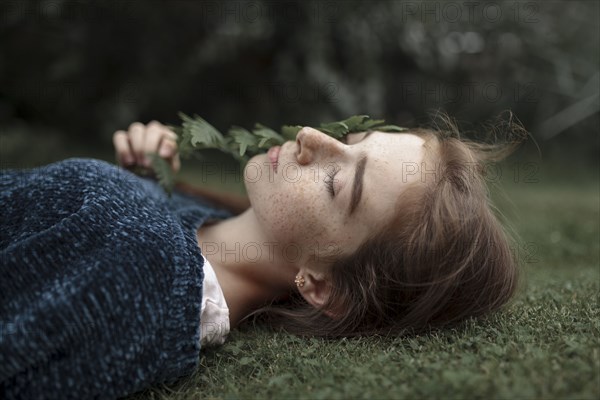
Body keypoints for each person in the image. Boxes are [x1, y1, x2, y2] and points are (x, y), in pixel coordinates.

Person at [1, 116, 524, 399]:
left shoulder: (146, 265)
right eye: (348, 138)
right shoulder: (175, 239)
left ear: (323, 285)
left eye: (336, 181)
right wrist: (144, 183)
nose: (311, 137)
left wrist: (115, 203)